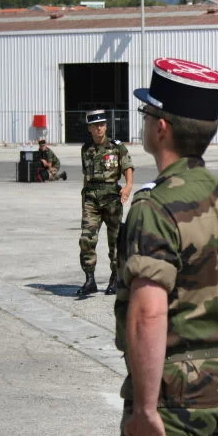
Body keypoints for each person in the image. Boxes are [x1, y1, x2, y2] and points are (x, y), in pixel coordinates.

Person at [115, 56, 218, 436]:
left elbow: (148, 313)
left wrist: (147, 409)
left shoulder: (154, 209)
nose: (145, 122)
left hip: (173, 399)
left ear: (161, 127)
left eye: (147, 114)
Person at [77, 109, 134, 296]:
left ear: (106, 126)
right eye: (95, 126)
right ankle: (90, 279)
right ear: (90, 129)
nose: (99, 128)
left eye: (101, 125)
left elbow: (128, 166)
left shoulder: (117, 147)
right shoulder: (86, 149)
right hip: (92, 197)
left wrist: (128, 186)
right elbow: (87, 175)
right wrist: (84, 196)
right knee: (86, 238)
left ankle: (115, 279)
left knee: (115, 241)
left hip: (111, 197)